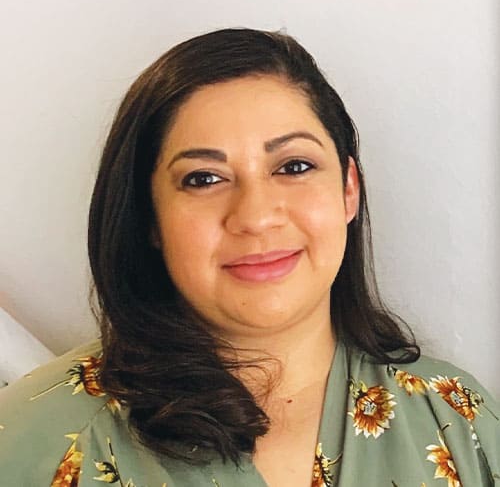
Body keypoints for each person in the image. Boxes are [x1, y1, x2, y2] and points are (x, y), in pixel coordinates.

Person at [0, 27, 498, 487]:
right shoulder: (34, 441)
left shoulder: (456, 418)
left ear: (349, 189)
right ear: (150, 217)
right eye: (203, 178)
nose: (256, 216)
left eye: (294, 166)